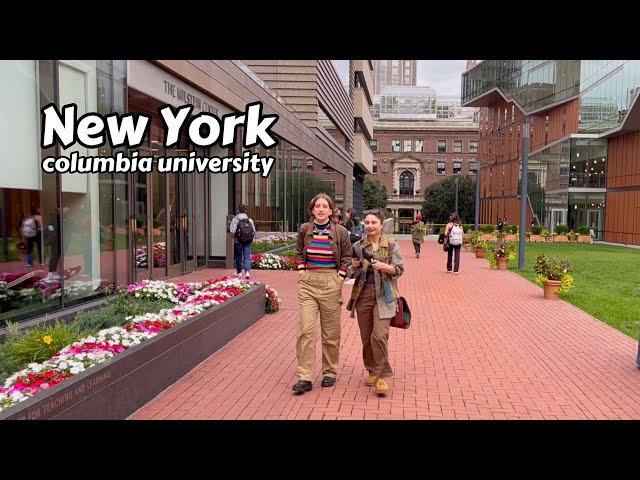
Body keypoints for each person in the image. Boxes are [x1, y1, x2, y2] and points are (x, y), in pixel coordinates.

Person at [292, 193, 351, 394]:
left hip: (330, 282)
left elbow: (347, 257)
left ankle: (329, 372)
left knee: (330, 332)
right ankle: (305, 376)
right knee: (306, 331)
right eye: (317, 205)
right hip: (308, 283)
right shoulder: (305, 229)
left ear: (331, 210)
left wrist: (340, 277)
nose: (321, 209)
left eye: (325, 206)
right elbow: (299, 251)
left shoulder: (340, 231)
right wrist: (301, 270)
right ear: (312, 209)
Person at [347, 208, 404, 396]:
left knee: (379, 335)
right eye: (367, 222)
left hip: (384, 295)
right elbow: (350, 271)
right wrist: (353, 267)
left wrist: (384, 267)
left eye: (374, 223)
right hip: (363, 294)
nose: (370, 226)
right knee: (366, 337)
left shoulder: (391, 244)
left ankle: (381, 376)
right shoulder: (358, 245)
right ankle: (371, 369)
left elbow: (399, 269)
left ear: (381, 225)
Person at [229, 204, 256, 279]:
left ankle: (239, 272)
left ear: (238, 210)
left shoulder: (235, 219)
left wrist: (233, 236)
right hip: (248, 241)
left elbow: (232, 231)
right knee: (247, 256)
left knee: (238, 257)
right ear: (246, 211)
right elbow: (253, 231)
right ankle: (247, 272)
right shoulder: (249, 220)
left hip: (238, 241)